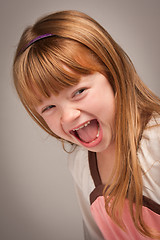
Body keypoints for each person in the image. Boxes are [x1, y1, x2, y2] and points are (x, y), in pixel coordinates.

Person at [13, 10, 160, 240]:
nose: (68, 116)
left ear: (112, 74)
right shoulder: (81, 165)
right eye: (48, 108)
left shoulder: (156, 145)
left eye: (79, 91)